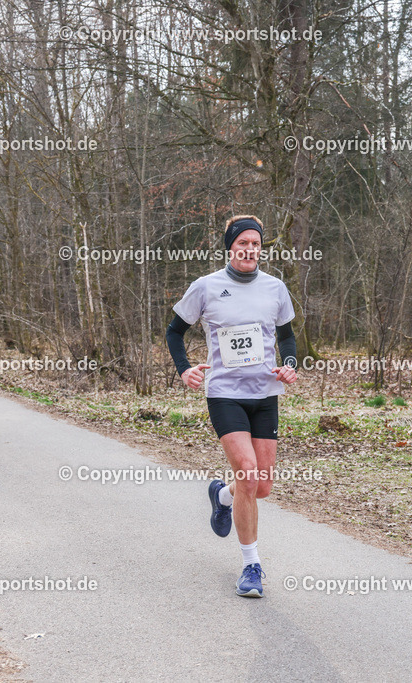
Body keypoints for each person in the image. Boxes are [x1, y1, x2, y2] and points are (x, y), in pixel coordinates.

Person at [166, 215, 298, 598]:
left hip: (265, 394)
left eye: (256, 244)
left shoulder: (275, 288)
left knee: (262, 486)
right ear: (230, 247)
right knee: (247, 471)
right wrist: (185, 370)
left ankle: (221, 496)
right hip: (224, 393)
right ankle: (251, 566)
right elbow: (175, 331)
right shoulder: (206, 287)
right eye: (243, 243)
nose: (249, 249)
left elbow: (287, 339)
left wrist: (288, 367)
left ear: (260, 248)